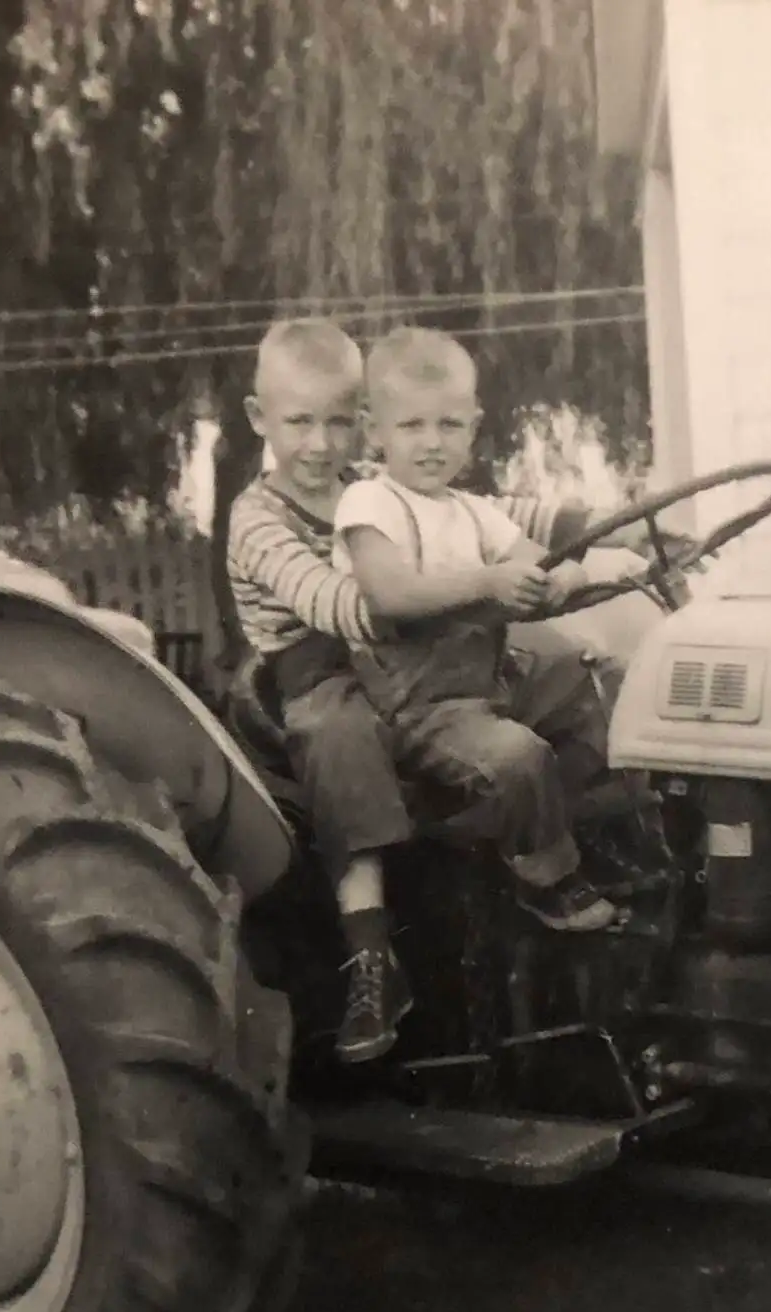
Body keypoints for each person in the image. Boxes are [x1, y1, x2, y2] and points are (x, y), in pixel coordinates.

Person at [227, 316, 648, 1064]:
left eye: (334, 423)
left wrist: (614, 529)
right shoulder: (257, 519)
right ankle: (368, 955)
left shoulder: (368, 482)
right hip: (318, 663)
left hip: (426, 649)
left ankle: (579, 843)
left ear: (359, 427)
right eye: (299, 423)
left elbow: (487, 513)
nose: (319, 444)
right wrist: (488, 590)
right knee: (340, 736)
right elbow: (344, 604)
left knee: (582, 669)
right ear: (262, 420)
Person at [332, 325, 630, 940]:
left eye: (449, 425)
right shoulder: (370, 502)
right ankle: (546, 878)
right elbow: (390, 594)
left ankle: (620, 829)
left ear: (473, 426)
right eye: (412, 426)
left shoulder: (474, 511)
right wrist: (489, 582)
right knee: (517, 757)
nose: (432, 443)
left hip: (492, 677)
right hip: (421, 703)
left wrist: (590, 573)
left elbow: (540, 569)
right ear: (374, 431)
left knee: (605, 684)